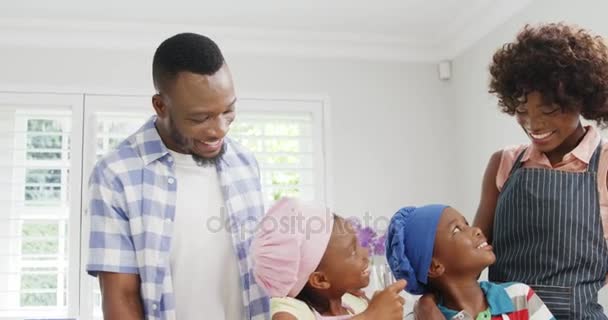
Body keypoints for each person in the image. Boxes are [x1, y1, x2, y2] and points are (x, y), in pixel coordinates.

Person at [86, 32, 268, 319]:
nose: (219, 129)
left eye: (228, 111)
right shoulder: (117, 174)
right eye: (200, 118)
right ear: (160, 106)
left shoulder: (245, 164)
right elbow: (120, 296)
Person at [387, 204, 555, 319]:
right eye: (457, 229)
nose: (476, 230)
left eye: (466, 223)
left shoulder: (519, 298)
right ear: (434, 266)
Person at [252, 197, 406, 319]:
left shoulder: (352, 302)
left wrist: (377, 308)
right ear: (320, 280)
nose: (366, 251)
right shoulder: (291, 310)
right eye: (353, 251)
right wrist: (370, 316)